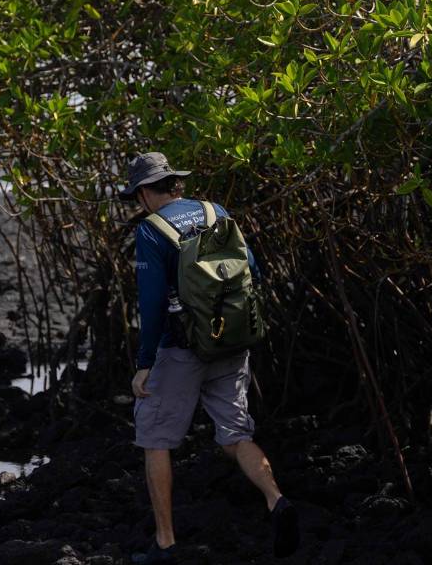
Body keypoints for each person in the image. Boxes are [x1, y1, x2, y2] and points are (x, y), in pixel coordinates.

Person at [120, 152, 299, 563]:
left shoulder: (151, 230)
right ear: (174, 183)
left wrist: (144, 364)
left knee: (155, 439)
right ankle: (276, 499)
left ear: (144, 192)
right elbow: (251, 268)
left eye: (136, 196)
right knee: (236, 435)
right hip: (231, 342)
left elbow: (151, 303)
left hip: (181, 349)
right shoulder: (215, 211)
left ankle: (165, 544)